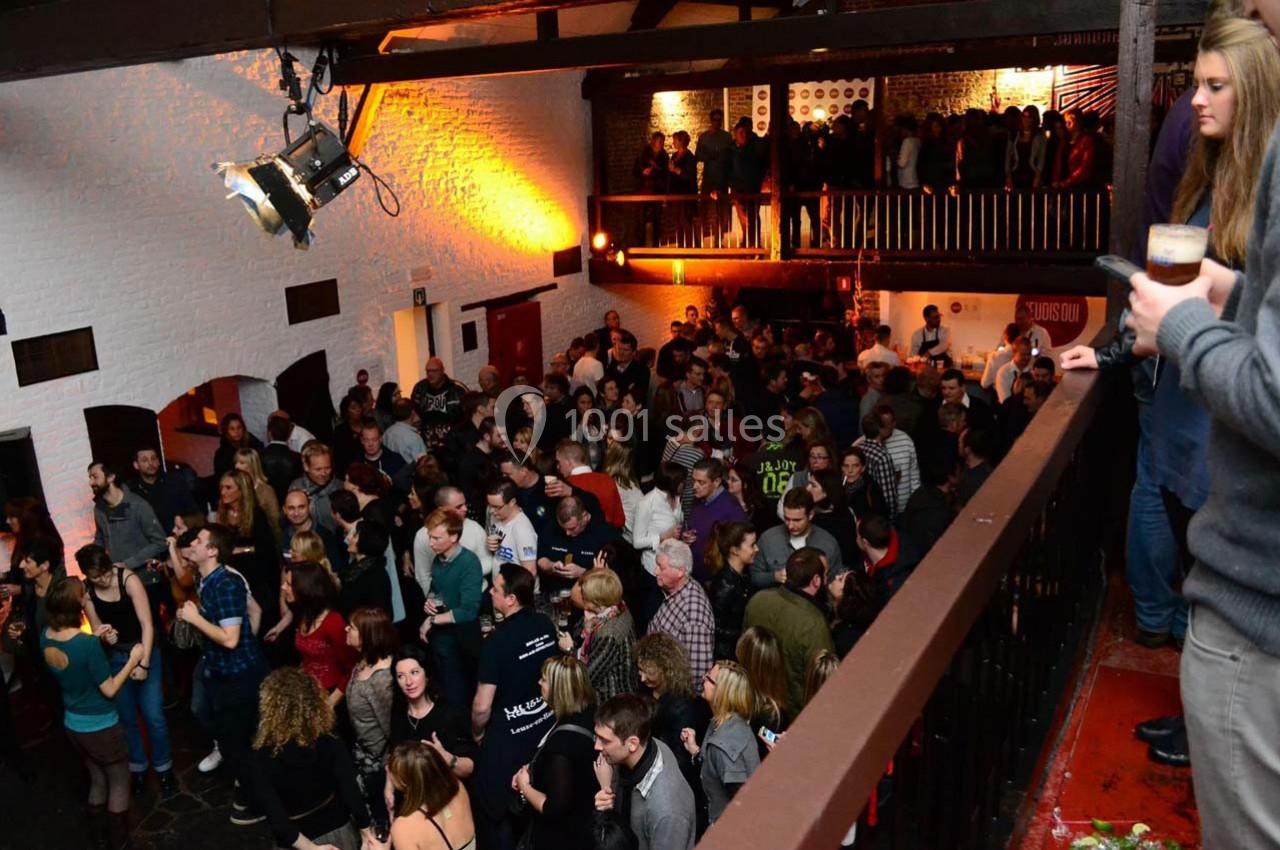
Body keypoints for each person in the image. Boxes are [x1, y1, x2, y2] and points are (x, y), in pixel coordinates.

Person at [40, 577, 147, 849]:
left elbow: (74, 662)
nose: (88, 595)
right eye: (84, 595)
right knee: (119, 782)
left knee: (97, 780)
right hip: (101, 726)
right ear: (77, 604)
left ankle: (100, 840)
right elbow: (110, 689)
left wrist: (97, 641)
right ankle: (120, 843)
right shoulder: (85, 645)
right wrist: (134, 659)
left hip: (73, 724)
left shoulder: (46, 636)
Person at [175, 524, 269, 822]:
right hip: (222, 673)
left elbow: (229, 638)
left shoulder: (226, 583)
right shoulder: (207, 581)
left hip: (239, 677)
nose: (193, 543)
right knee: (234, 740)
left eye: (199, 540)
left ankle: (260, 805)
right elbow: (250, 614)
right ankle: (253, 790)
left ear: (213, 550)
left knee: (239, 742)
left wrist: (194, 618)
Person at [77, 545, 177, 797]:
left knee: (154, 715)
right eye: (96, 576)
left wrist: (143, 663)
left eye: (105, 573)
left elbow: (147, 623)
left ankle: (164, 770)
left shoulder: (128, 580)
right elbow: (98, 626)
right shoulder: (87, 591)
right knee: (127, 718)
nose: (103, 579)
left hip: (144, 651)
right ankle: (138, 769)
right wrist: (104, 636)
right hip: (116, 658)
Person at [471, 564, 559, 850]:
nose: (490, 592)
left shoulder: (495, 643)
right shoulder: (545, 625)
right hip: (545, 728)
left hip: (508, 738)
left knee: (494, 808)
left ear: (511, 599)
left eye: (495, 589)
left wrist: (476, 732)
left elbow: (482, 705)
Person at [243, 667, 376, 850]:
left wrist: (312, 849)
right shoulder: (331, 740)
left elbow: (278, 821)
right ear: (314, 702)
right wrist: (366, 831)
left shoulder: (258, 758)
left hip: (298, 842)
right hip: (339, 830)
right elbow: (351, 791)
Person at [512, 655, 598, 850]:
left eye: (544, 679)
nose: (539, 683)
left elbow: (553, 808)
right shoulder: (587, 713)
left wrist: (524, 785)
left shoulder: (561, 747)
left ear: (558, 689)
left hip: (560, 838)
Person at [593, 693, 697, 850]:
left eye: (605, 741)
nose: (597, 746)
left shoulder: (667, 811)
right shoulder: (649, 746)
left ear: (632, 744)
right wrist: (608, 789)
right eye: (597, 737)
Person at [743, 547, 835, 712]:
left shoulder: (758, 600)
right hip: (794, 712)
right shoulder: (814, 623)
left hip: (755, 702)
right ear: (816, 580)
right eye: (825, 574)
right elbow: (821, 680)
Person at [679, 660, 760, 825]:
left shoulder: (724, 746)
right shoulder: (726, 720)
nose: (703, 678)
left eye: (709, 678)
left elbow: (742, 807)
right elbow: (715, 766)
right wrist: (695, 750)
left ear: (721, 692)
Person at [418, 509, 484, 711]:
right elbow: (435, 589)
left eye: (436, 537)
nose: (430, 543)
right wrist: (429, 602)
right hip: (441, 641)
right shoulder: (439, 559)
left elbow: (469, 611)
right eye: (430, 537)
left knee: (458, 696)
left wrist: (433, 620)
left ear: (454, 536)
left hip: (461, 643)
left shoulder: (469, 563)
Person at [344, 606, 399, 840]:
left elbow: (392, 731)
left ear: (367, 636)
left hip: (379, 769)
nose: (346, 628)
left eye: (352, 627)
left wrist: (389, 775)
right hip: (364, 760)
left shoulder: (381, 681)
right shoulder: (364, 662)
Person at [387, 644, 478, 784]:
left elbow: (470, 768)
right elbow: (394, 758)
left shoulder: (449, 712)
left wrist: (447, 758)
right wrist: (389, 783)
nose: (409, 682)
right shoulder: (399, 716)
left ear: (427, 675)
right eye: (401, 676)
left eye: (415, 672)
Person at [284, 560, 356, 707]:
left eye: (289, 584)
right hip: (308, 692)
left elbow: (352, 668)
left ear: (305, 588)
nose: (283, 587)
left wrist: (330, 703)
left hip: (330, 696)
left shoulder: (333, 622)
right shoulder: (302, 614)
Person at [646, 539, 715, 690]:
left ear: (680, 571)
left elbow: (697, 674)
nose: (655, 571)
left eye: (661, 567)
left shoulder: (694, 613)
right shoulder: (674, 591)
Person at [386, 741, 477, 850]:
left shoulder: (403, 828)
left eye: (390, 769)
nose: (387, 769)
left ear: (404, 782)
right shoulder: (459, 788)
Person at [750, 488, 842, 589]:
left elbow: (833, 585)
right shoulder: (768, 539)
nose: (790, 526)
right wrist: (774, 576)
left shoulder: (828, 544)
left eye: (797, 520)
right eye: (787, 519)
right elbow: (754, 577)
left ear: (810, 515)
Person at [536, 495, 620, 601]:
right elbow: (540, 557)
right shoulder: (550, 528)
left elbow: (612, 577)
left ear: (584, 517)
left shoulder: (606, 534)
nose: (567, 533)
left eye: (572, 528)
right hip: (555, 596)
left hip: (589, 598)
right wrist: (551, 566)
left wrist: (583, 572)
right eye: (563, 529)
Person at [573, 567, 637, 703]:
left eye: (584, 594)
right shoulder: (617, 608)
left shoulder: (608, 633)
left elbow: (587, 678)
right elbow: (579, 631)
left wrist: (569, 650)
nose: (581, 595)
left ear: (596, 600)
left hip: (612, 702)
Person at [89, 461, 167, 569]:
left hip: (144, 576)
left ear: (111, 477)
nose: (91, 482)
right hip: (119, 577)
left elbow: (160, 542)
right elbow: (100, 538)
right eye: (90, 478)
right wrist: (91, 558)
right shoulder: (99, 509)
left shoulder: (138, 505)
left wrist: (129, 563)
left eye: (95, 477)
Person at [682, 458, 746, 582]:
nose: (694, 486)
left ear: (716, 482)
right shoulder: (700, 499)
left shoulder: (732, 510)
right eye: (693, 481)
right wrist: (684, 535)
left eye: (701, 482)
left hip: (714, 580)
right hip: (695, 575)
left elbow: (738, 549)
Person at [706, 522, 757, 663]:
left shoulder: (744, 575)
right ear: (734, 550)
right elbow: (714, 627)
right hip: (728, 658)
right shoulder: (725, 585)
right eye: (752, 545)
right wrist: (744, 634)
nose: (757, 549)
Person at [126, 446, 197, 534]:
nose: (151, 463)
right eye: (145, 460)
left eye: (153, 459)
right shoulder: (131, 490)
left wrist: (183, 521)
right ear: (136, 465)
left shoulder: (175, 482)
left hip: (178, 534)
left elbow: (194, 513)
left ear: (159, 461)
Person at [632, 462, 685, 576]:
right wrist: (661, 537)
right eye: (682, 481)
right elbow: (637, 542)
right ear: (672, 482)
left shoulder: (677, 497)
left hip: (674, 563)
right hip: (654, 568)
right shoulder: (646, 503)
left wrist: (683, 536)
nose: (684, 484)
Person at [338, 519, 393, 617]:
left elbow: (380, 617)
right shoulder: (356, 566)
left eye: (355, 536)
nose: (349, 538)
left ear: (365, 541)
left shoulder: (375, 576)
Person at [291, 442, 341, 536]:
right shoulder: (296, 487)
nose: (323, 473)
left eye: (327, 468)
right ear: (306, 467)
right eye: (318, 469)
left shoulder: (340, 488)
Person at [262, 415, 304, 504]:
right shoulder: (297, 458)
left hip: (266, 503)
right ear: (289, 434)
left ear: (269, 433)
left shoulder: (259, 456)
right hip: (291, 502)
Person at [213, 412, 264, 480]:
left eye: (239, 427)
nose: (236, 432)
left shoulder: (254, 444)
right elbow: (222, 478)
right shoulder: (222, 454)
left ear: (243, 428)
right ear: (226, 431)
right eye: (232, 429)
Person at [384, 398, 428, 465]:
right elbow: (424, 465)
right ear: (412, 413)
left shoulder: (387, 433)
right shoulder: (415, 439)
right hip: (410, 474)